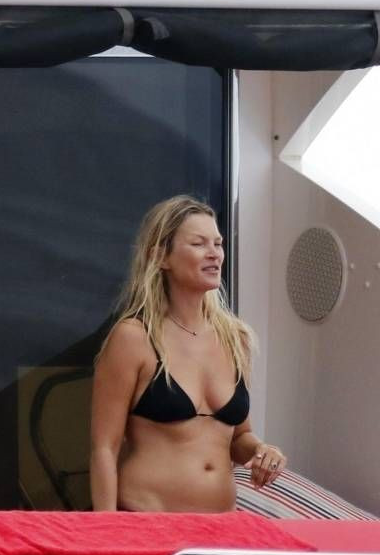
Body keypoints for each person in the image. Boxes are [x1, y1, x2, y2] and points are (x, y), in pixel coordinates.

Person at [89, 195, 286, 513]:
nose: (214, 253)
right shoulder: (134, 338)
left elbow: (238, 437)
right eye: (198, 243)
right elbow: (104, 449)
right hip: (147, 520)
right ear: (160, 256)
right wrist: (108, 530)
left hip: (220, 527)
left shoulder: (235, 338)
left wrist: (262, 451)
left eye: (218, 244)